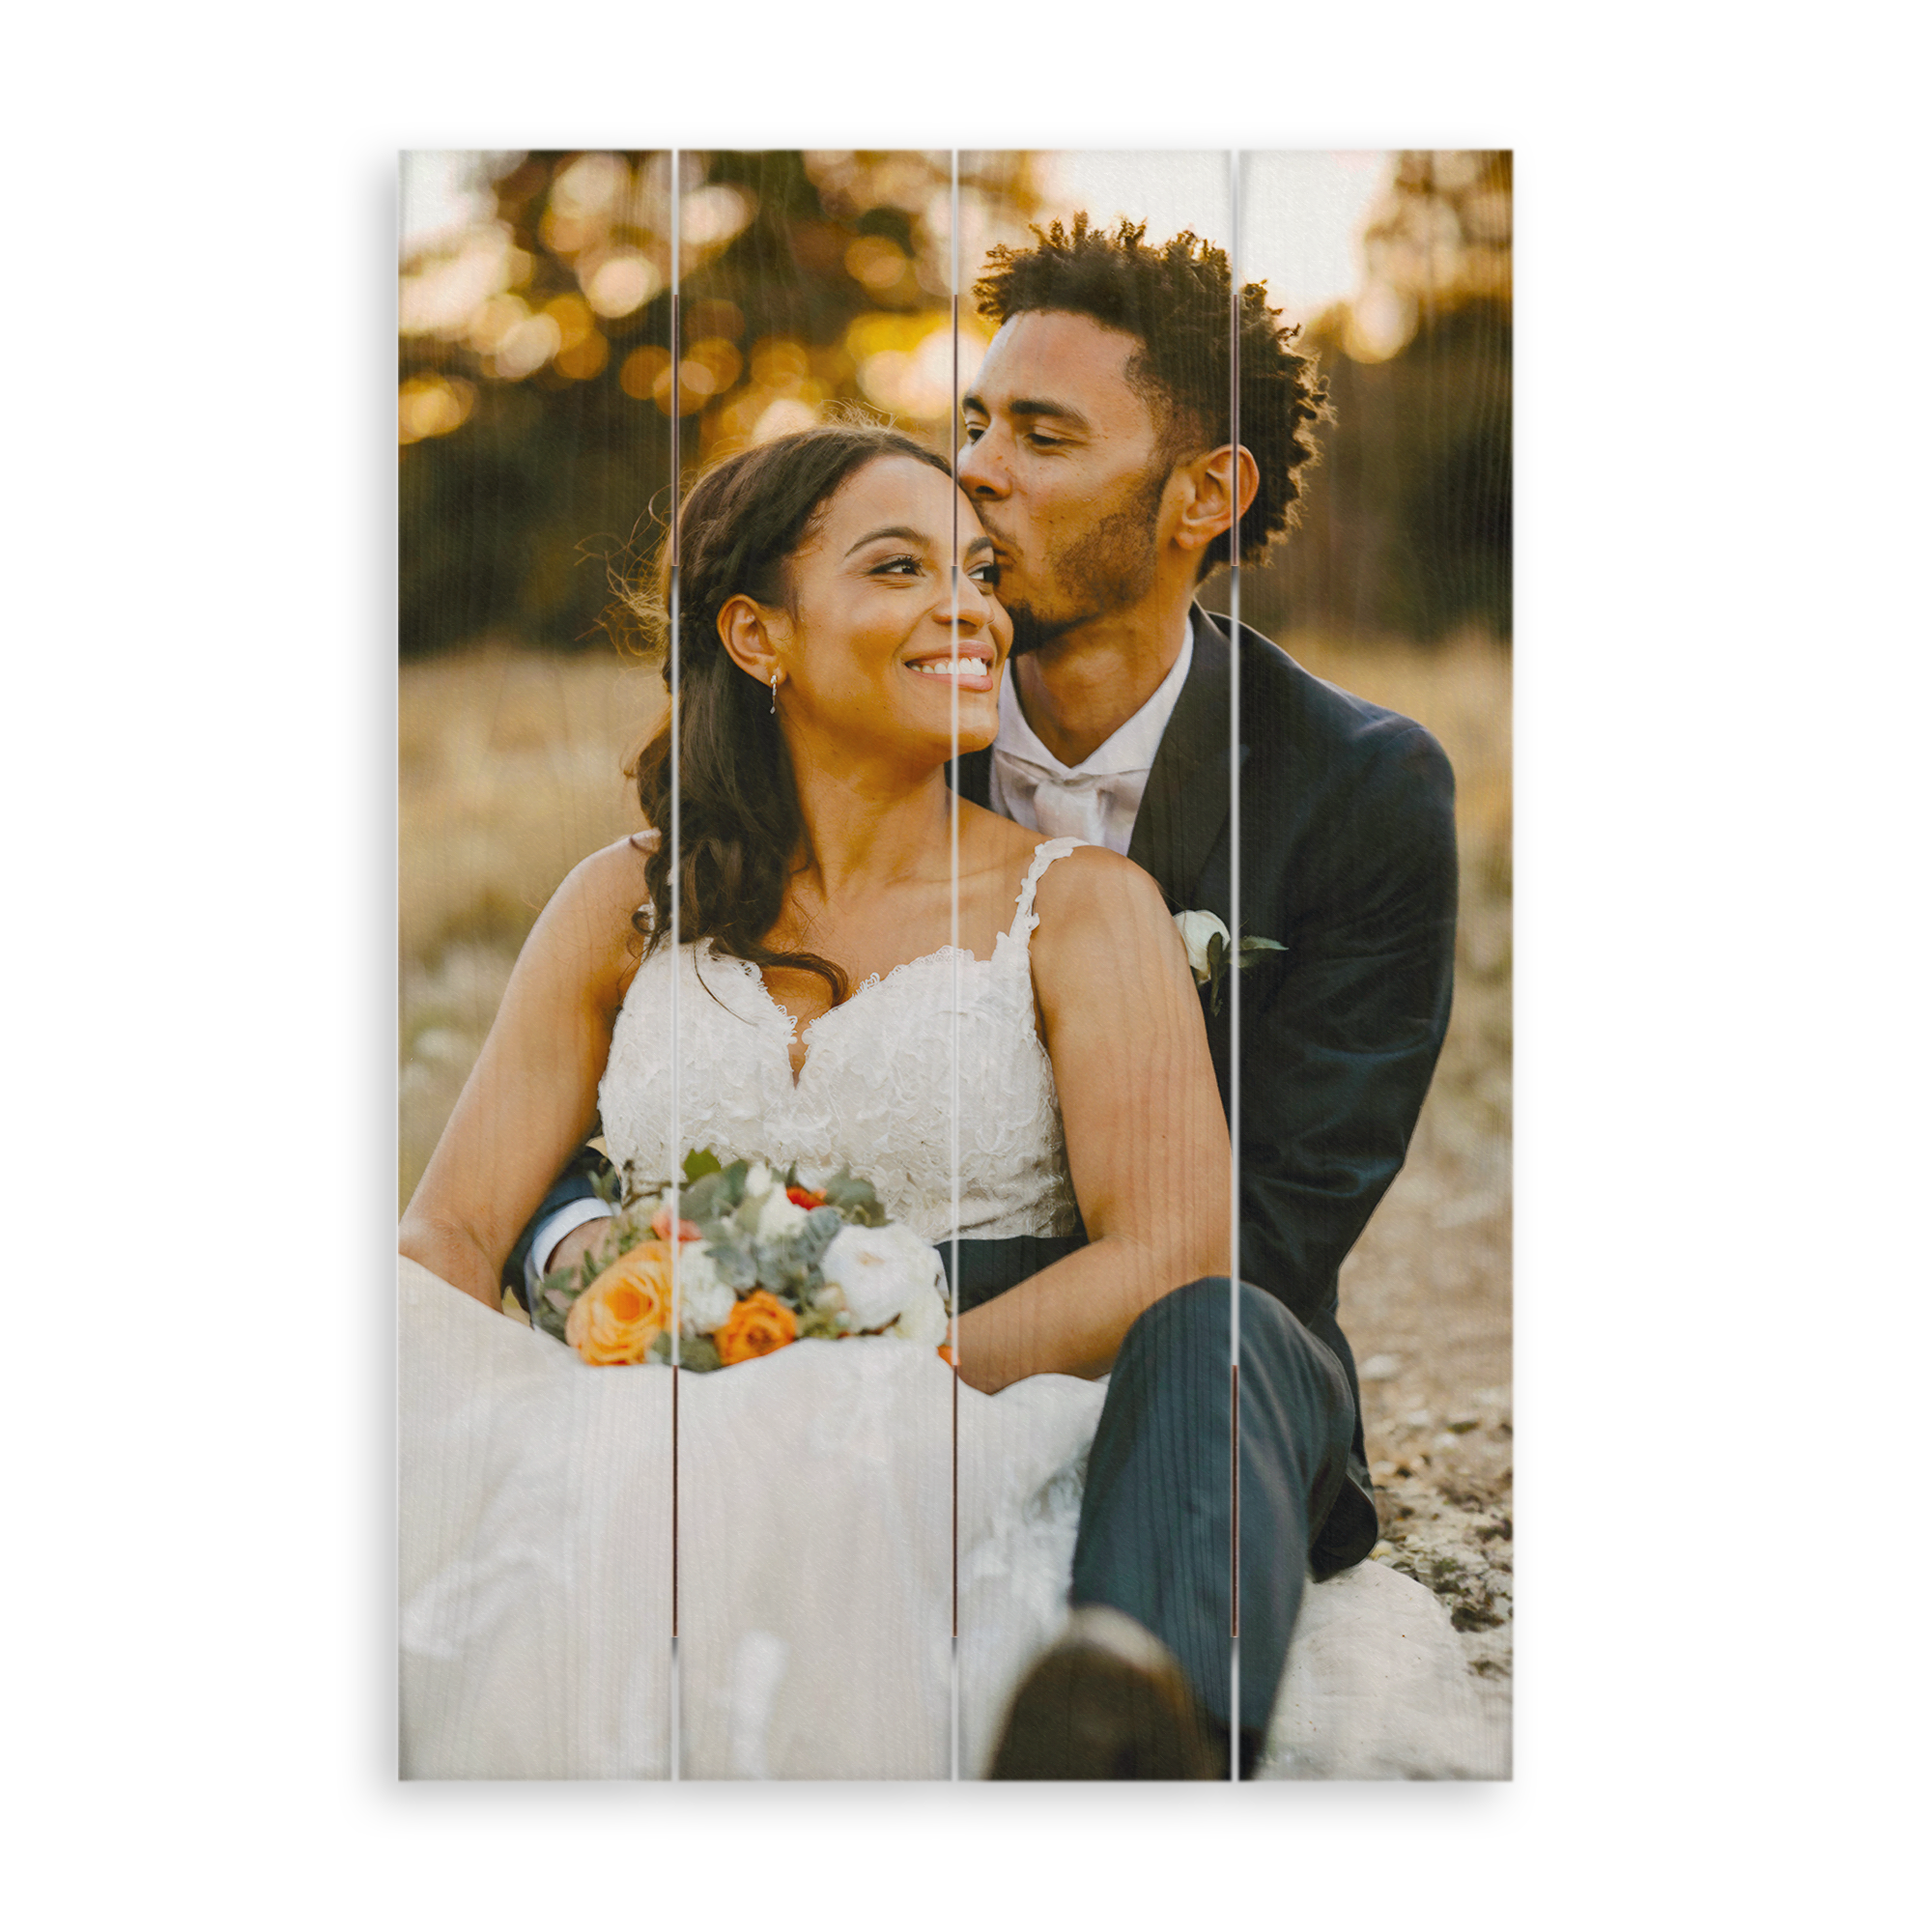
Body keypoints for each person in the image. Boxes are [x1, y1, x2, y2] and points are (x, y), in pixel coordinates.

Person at [499, 216, 1460, 1779]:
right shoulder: (873, 697)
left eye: (1043, 433)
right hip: (772, 1339)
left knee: (1220, 1317)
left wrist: (883, 1336)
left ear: (1202, 498)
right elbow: (630, 1065)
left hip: (1177, 1383)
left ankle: (1131, 1714)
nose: (980, 472)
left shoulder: (1353, 786)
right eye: (974, 423)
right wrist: (701, 1288)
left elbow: (1277, 1216)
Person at [397, 421, 1254, 1781]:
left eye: (978, 569)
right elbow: (447, 1233)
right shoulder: (621, 904)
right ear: (760, 636)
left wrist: (874, 1397)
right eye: (901, 568)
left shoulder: (1080, 909)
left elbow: (1172, 1247)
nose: (969, 606)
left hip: (966, 1428)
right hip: (640, 1439)